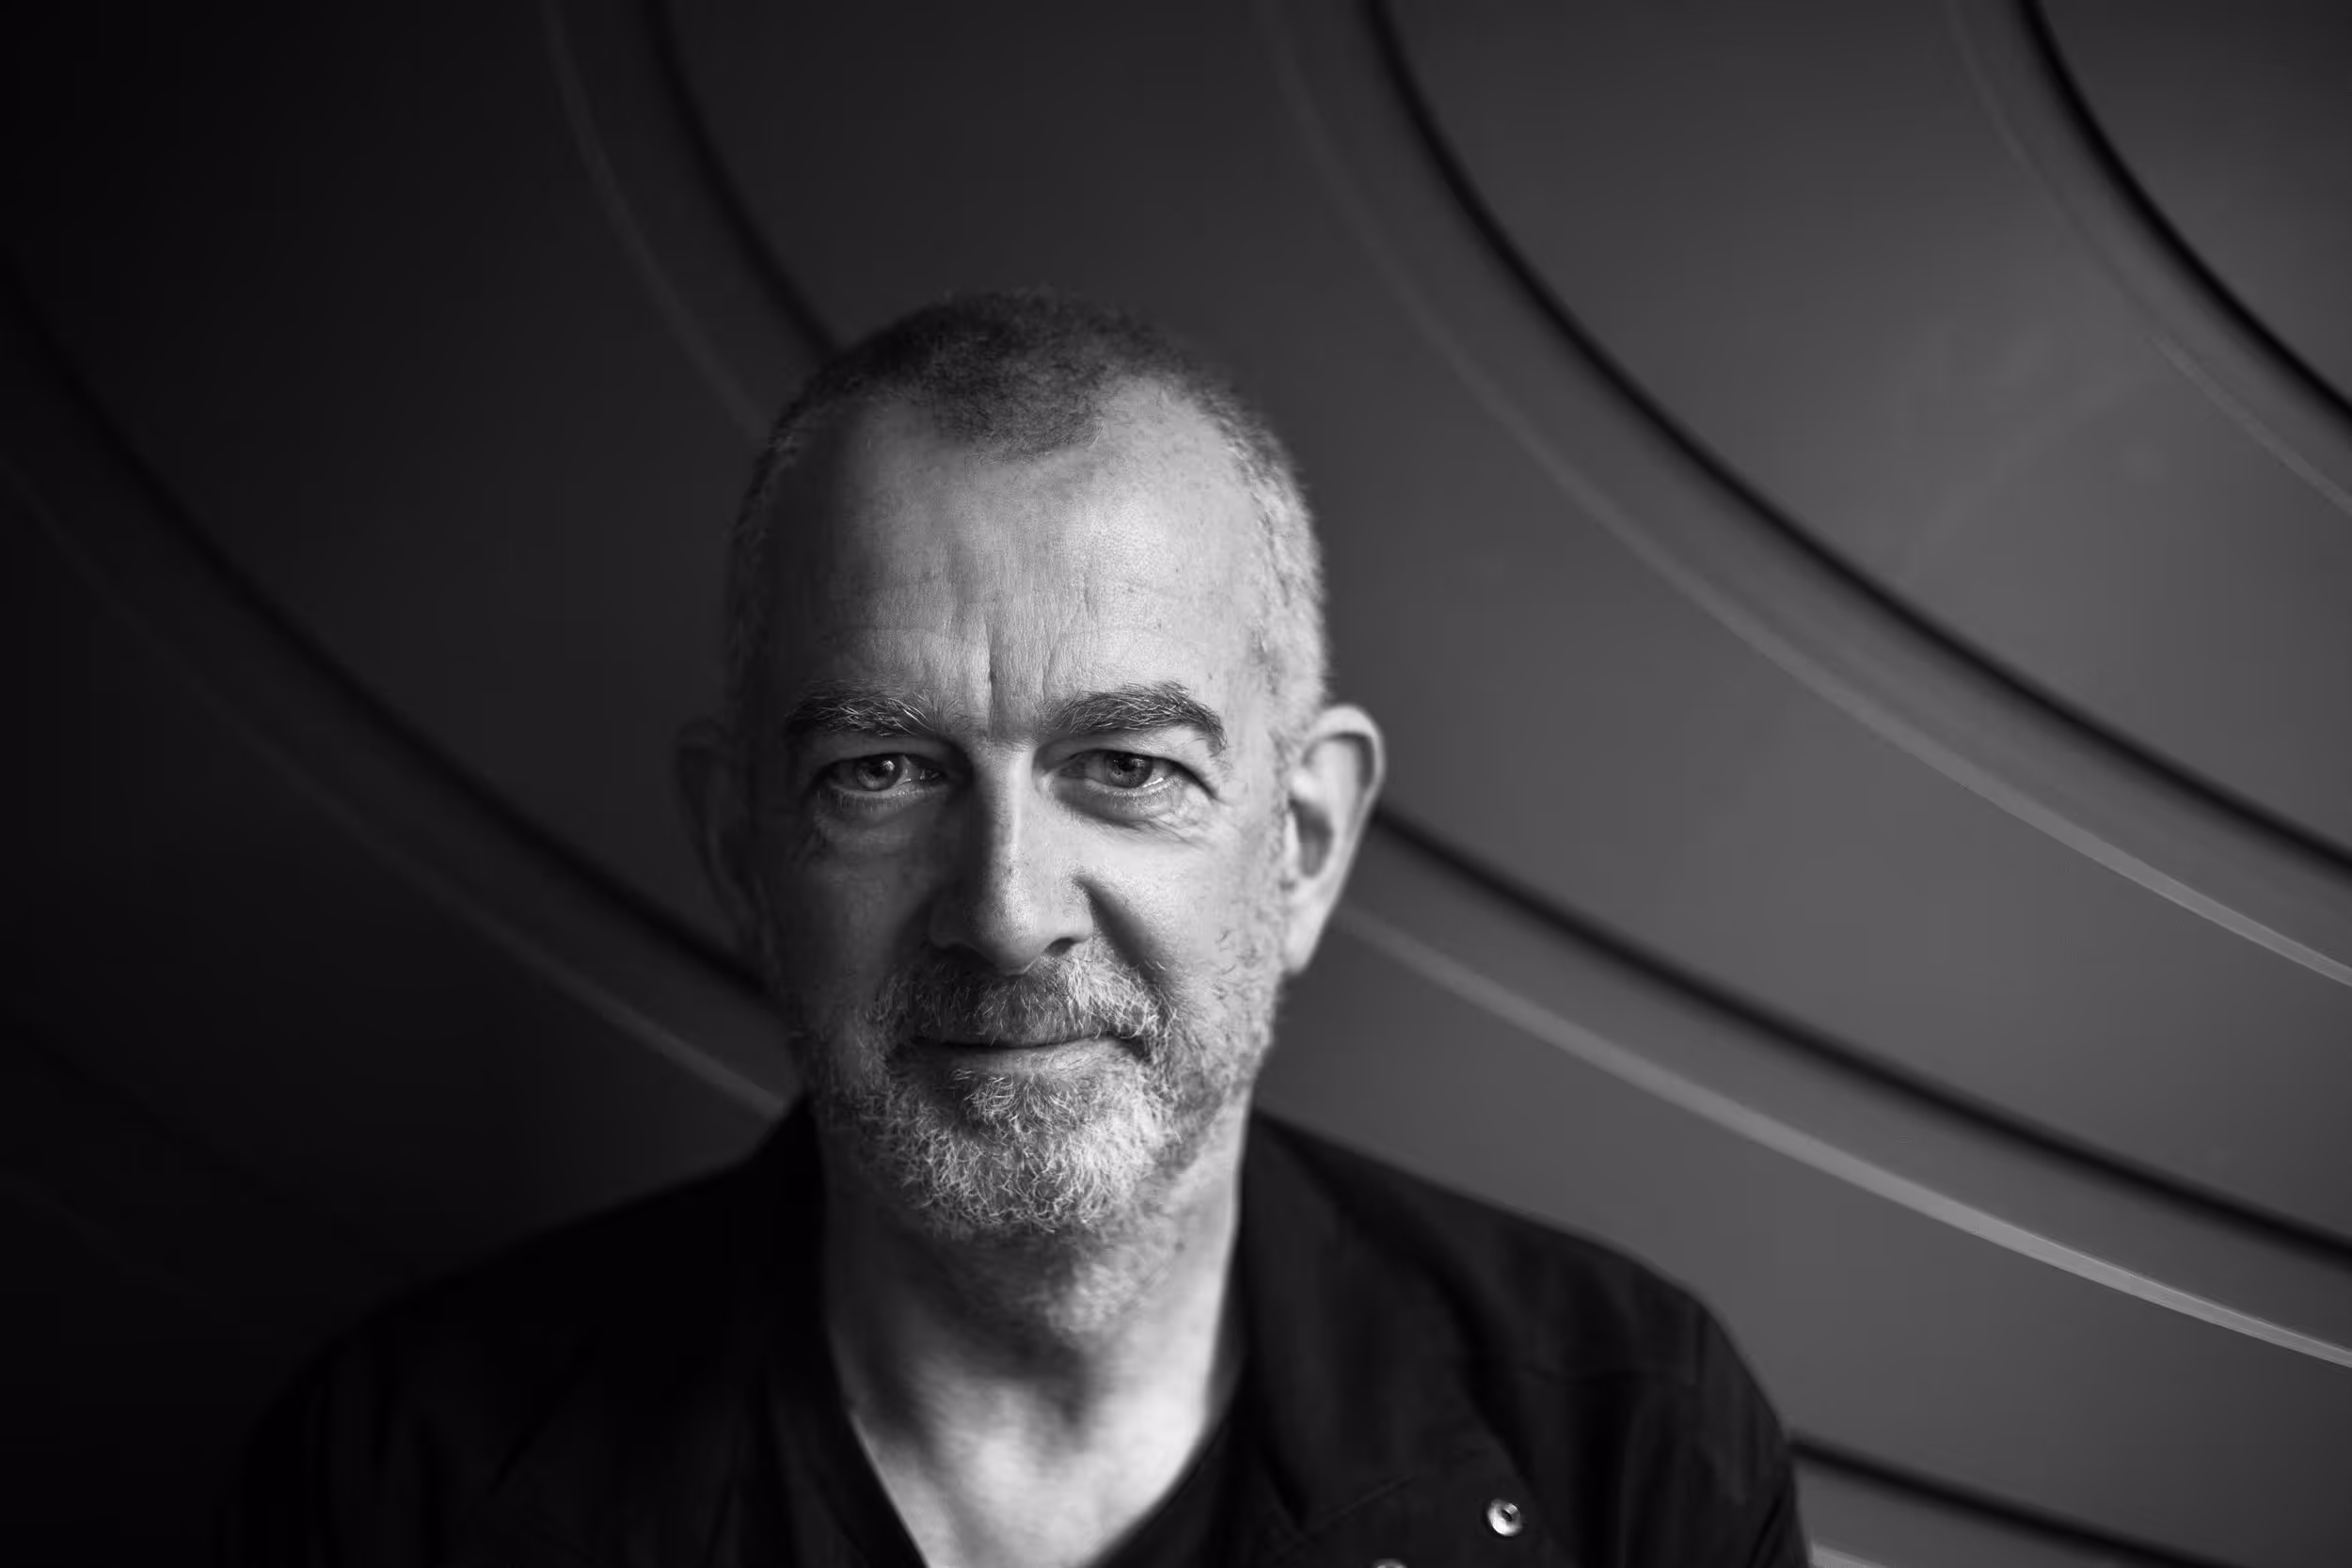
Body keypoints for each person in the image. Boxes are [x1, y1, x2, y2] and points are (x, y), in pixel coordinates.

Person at [222, 291, 1806, 1566]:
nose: (1005, 909)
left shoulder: (1635, 1448)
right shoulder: (402, 1488)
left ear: (1304, 841)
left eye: (1126, 767)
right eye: (884, 771)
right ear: (740, 850)